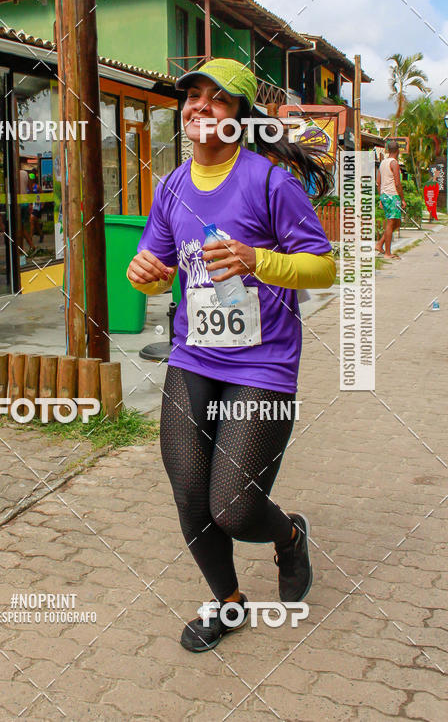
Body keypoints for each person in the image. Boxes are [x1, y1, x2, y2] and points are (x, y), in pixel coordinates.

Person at [126, 58, 336, 653]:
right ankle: (228, 602)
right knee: (191, 494)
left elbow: (323, 265)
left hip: (262, 365)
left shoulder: (271, 182)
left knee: (235, 508)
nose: (200, 108)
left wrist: (256, 260)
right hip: (193, 358)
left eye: (217, 100)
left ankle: (289, 536)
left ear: (239, 117)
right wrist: (143, 274)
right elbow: (151, 269)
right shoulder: (170, 187)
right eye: (192, 97)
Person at [376, 141, 405, 259]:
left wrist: (381, 198)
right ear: (397, 151)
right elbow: (397, 184)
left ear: (388, 150)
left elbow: (378, 183)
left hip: (384, 195)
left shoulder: (382, 163)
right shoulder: (394, 163)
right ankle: (387, 253)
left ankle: (379, 244)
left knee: (397, 222)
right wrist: (402, 199)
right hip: (392, 195)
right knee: (391, 222)